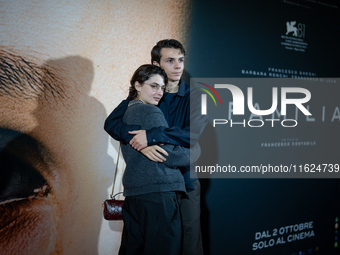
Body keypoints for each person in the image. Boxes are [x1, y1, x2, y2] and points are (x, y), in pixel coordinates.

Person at [0, 2, 191, 254]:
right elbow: (180, 152)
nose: (160, 91)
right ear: (138, 84)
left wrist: (146, 140)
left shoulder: (129, 109)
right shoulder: (148, 111)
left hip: (136, 193)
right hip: (158, 193)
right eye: (154, 85)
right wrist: (174, 149)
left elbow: (113, 125)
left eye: (162, 86)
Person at [104, 39, 207, 255]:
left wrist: (149, 137)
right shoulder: (147, 93)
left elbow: (193, 135)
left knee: (188, 241)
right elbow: (112, 123)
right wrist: (139, 144)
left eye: (180, 60)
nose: (178, 66)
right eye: (170, 61)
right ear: (156, 63)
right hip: (154, 184)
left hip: (185, 178)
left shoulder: (195, 96)